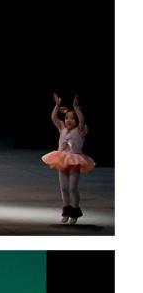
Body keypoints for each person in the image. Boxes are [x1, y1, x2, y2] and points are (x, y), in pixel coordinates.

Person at [42, 93, 94, 224]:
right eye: (66, 118)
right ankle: (66, 211)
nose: (68, 120)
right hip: (62, 158)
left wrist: (75, 108)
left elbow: (82, 120)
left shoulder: (80, 130)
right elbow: (53, 118)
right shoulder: (62, 128)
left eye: (72, 118)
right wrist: (57, 105)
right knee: (64, 188)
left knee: (72, 188)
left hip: (75, 160)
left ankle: (75, 212)